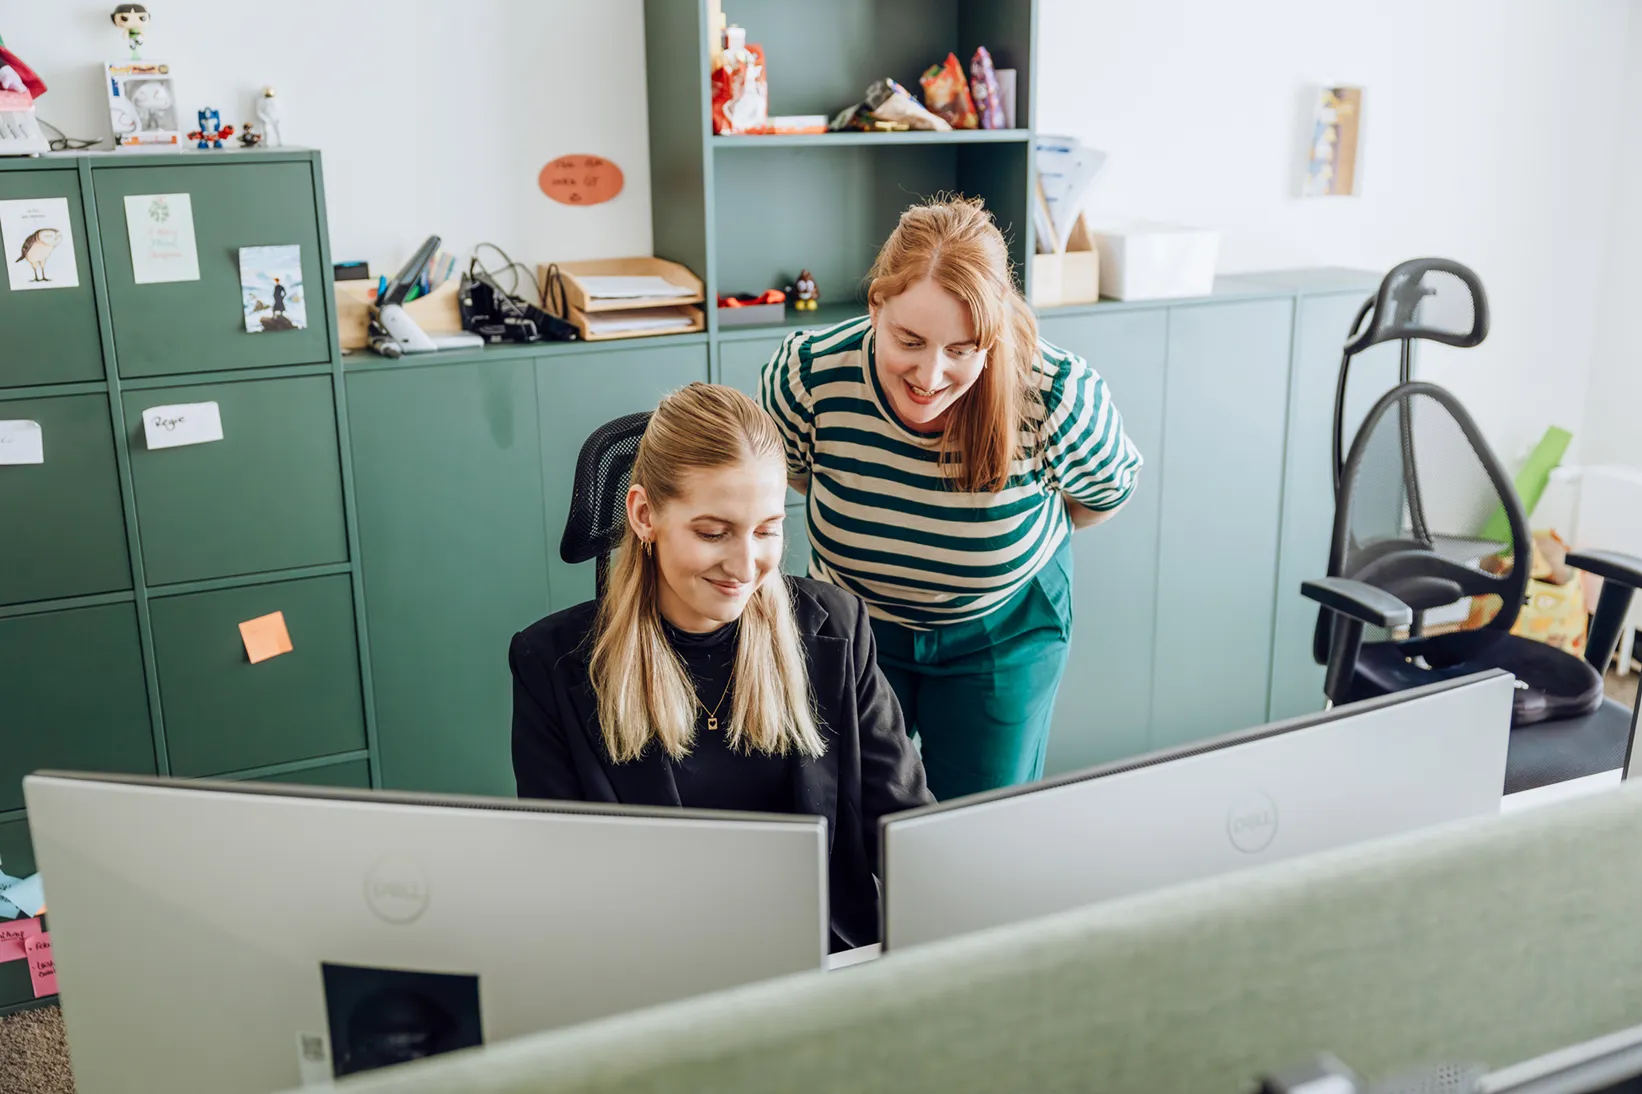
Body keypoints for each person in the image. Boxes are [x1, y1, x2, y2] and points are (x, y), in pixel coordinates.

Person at [510, 382, 932, 950]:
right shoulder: (552, 664)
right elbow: (564, 880)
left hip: (822, 963)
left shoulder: (835, 627)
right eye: (713, 533)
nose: (744, 565)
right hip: (657, 965)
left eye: (767, 530)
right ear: (643, 515)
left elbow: (906, 827)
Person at [760, 197, 1142, 802]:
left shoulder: (1055, 397)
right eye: (909, 340)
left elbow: (1103, 496)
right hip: (853, 627)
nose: (930, 376)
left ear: (990, 339)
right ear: (875, 306)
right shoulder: (808, 375)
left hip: (1002, 635)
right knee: (847, 811)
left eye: (961, 350)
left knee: (977, 827)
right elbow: (799, 475)